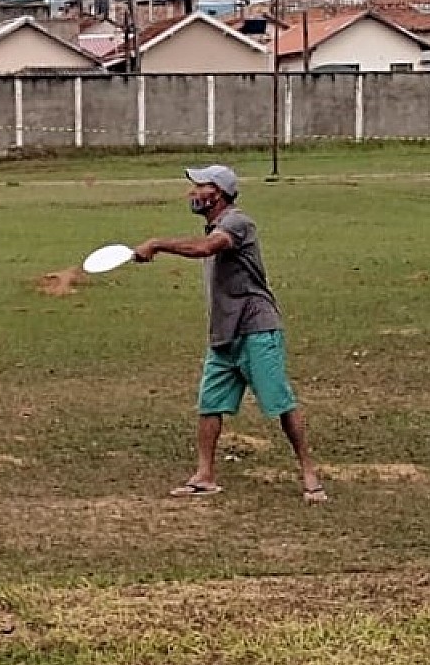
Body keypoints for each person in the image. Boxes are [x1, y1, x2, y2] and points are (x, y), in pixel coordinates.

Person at [133, 164, 327, 504]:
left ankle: (310, 473)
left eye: (200, 187)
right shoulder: (214, 226)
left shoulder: (237, 223)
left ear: (218, 193)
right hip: (224, 332)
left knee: (279, 403)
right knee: (210, 404)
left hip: (256, 329)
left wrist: (158, 244)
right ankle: (205, 475)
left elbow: (207, 249)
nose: (192, 194)